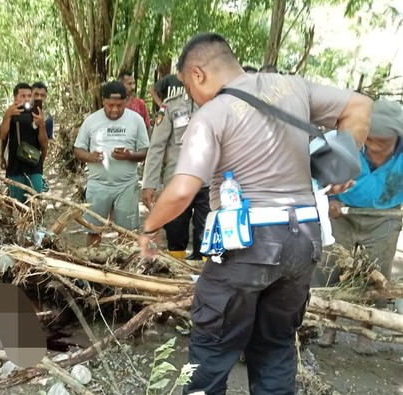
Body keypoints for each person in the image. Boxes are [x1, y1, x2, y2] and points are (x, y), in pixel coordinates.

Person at [137, 32, 372, 394]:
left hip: (247, 243)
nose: (192, 97)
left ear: (197, 74)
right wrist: (345, 161)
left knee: (212, 349)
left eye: (188, 86)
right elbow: (359, 105)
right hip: (304, 240)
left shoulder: (212, 114)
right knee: (275, 345)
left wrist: (149, 228)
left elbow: (183, 188)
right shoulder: (293, 87)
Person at [313, 99, 403, 354]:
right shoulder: (346, 142)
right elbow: (319, 176)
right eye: (370, 139)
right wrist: (329, 200)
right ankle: (326, 323)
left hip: (385, 218)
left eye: (383, 143)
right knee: (329, 268)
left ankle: (367, 328)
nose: (374, 147)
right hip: (342, 213)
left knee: (377, 274)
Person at [74, 81, 149, 246]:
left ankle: (123, 268)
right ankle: (93, 265)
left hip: (126, 185)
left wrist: (130, 155)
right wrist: (90, 157)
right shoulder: (91, 120)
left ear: (127, 101)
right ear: (103, 101)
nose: (114, 109)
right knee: (94, 230)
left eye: (119, 105)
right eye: (110, 105)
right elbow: (78, 150)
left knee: (127, 234)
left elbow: (145, 152)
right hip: (98, 185)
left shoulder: (136, 120)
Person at [141, 89, 209, 261]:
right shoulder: (170, 106)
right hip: (176, 184)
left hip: (208, 183)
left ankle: (203, 277)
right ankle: (177, 276)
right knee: (175, 233)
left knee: (208, 234)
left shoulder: (216, 101)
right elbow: (157, 146)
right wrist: (149, 183)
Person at [0, 83, 48, 202]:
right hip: (15, 167)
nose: (26, 98)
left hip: (34, 167)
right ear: (15, 97)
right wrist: (7, 116)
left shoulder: (37, 114)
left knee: (35, 202)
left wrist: (41, 125)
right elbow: (2, 135)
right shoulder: (10, 113)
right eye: (22, 96)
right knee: (17, 203)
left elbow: (44, 143)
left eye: (29, 95)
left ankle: (35, 221)